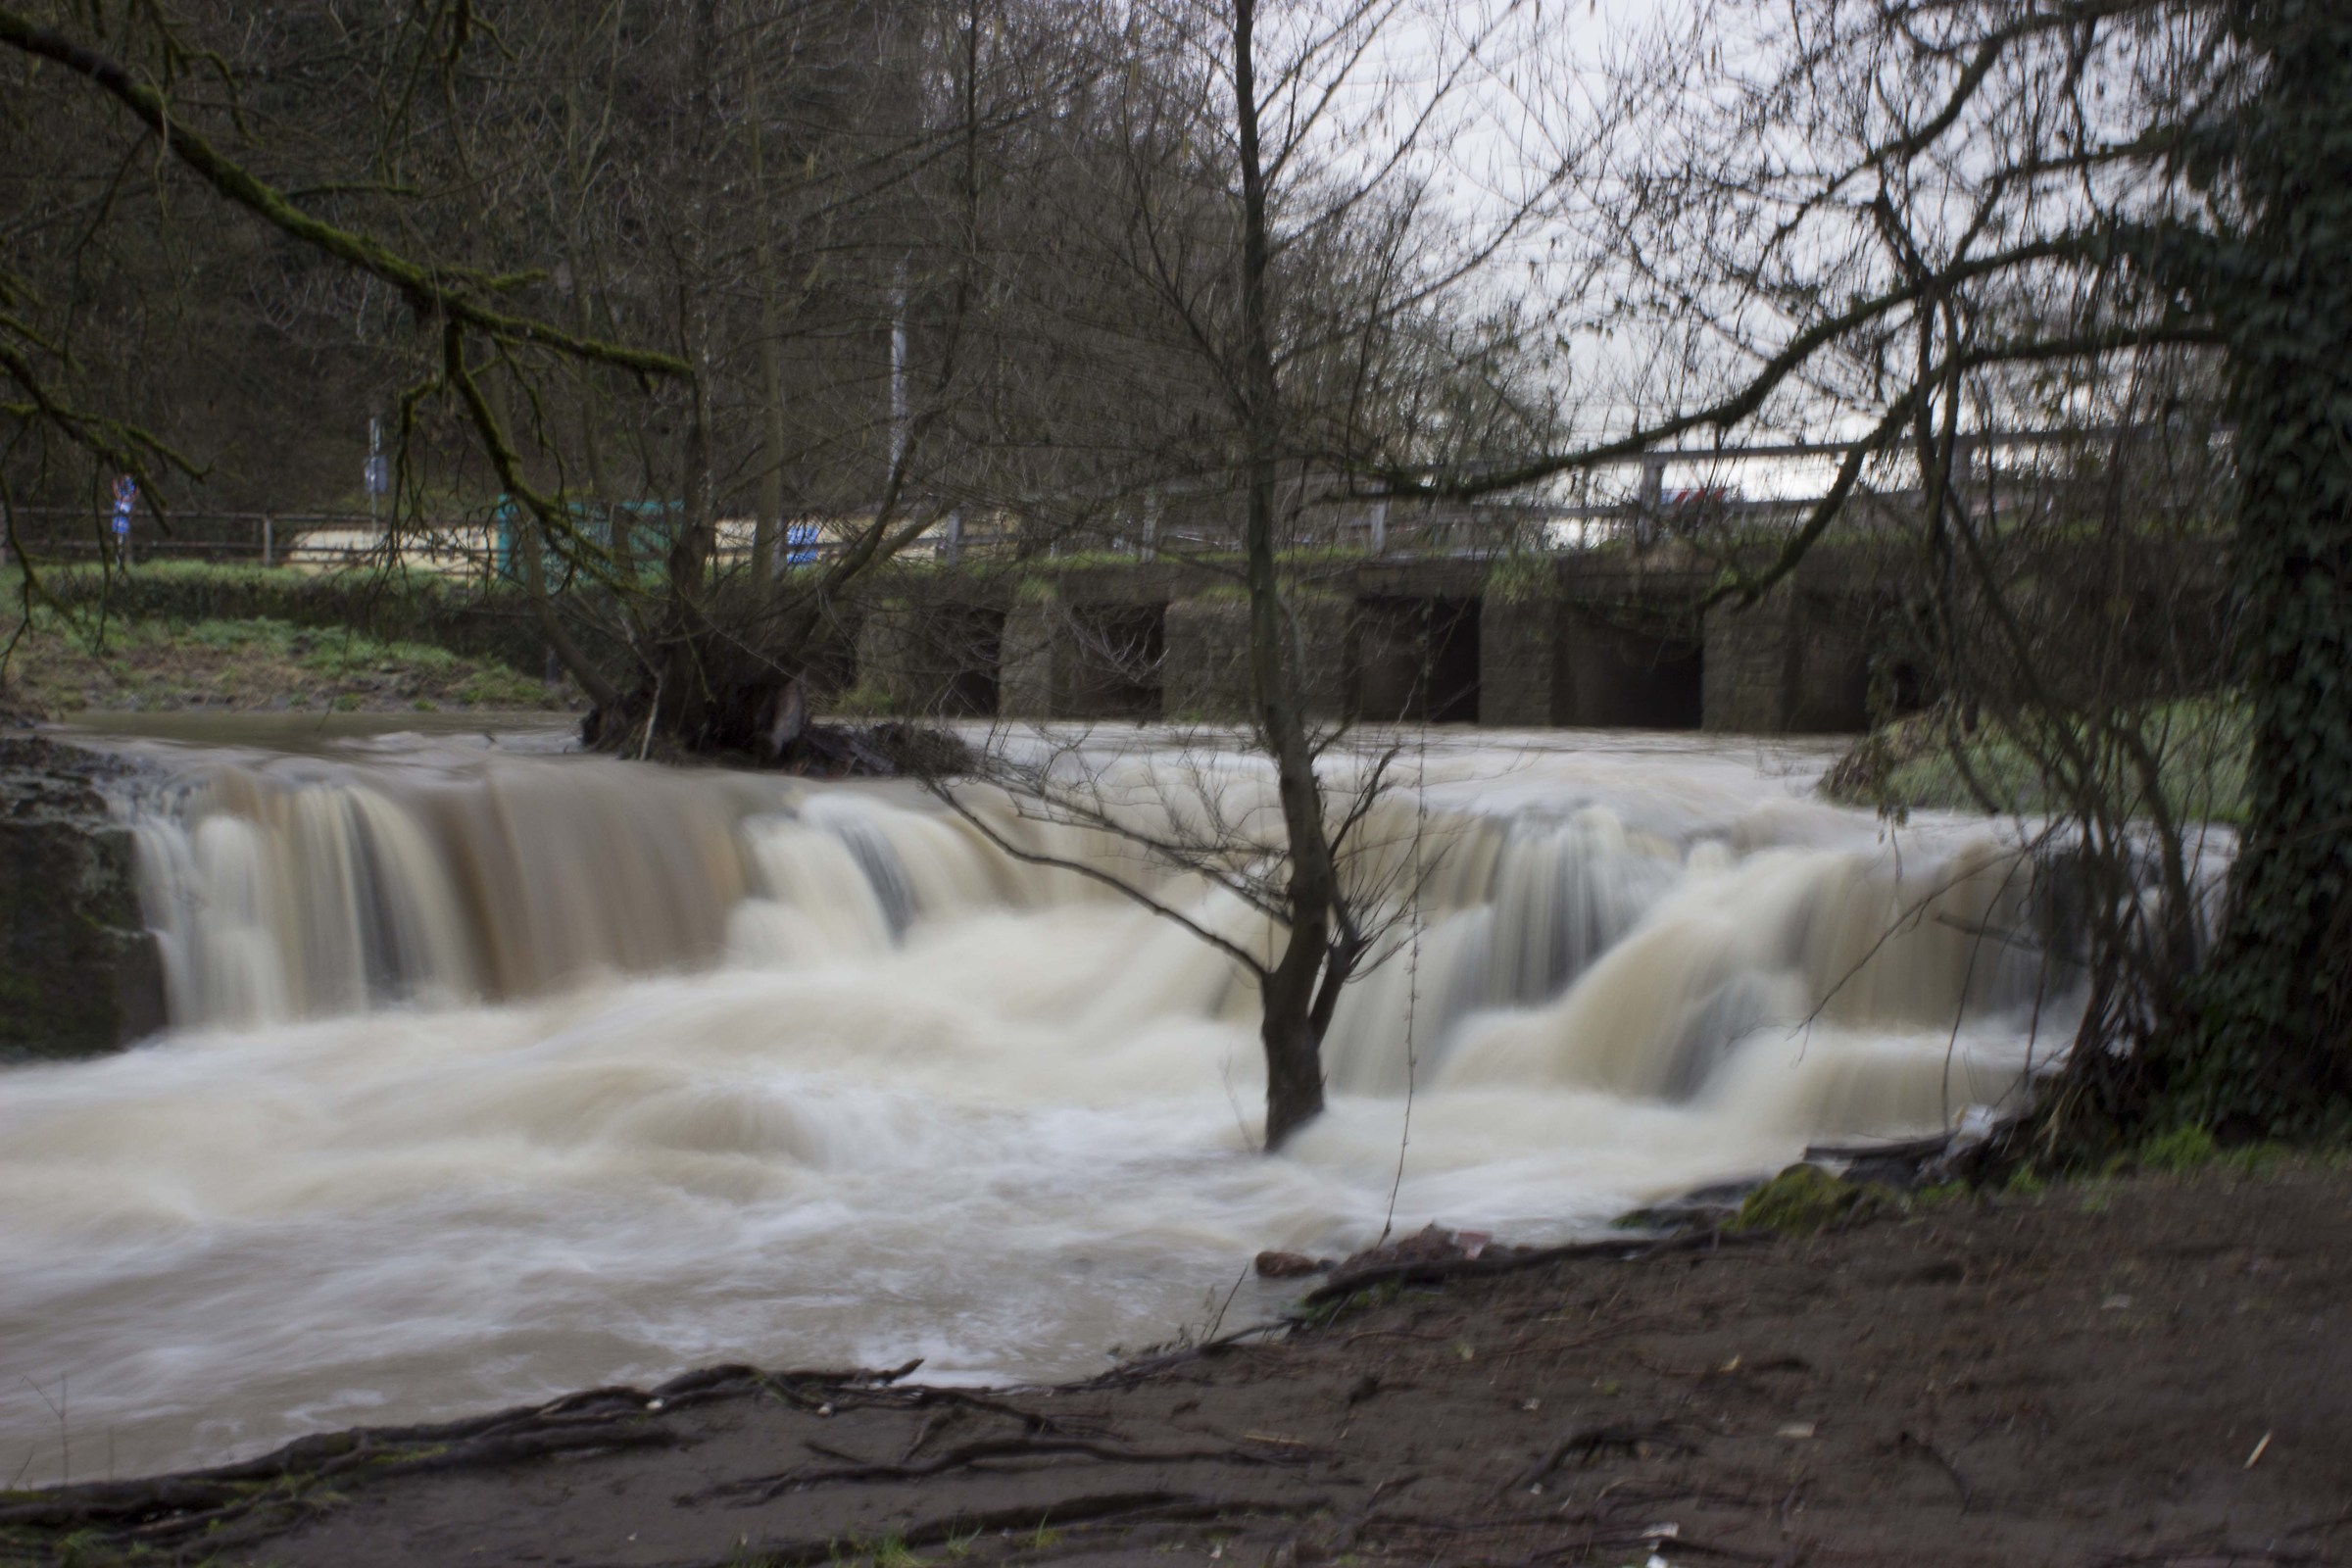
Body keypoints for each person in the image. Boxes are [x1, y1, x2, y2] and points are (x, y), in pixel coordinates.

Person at [110, 474, 136, 566]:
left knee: (127, 535)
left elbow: (134, 493)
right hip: (120, 510)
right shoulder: (118, 478)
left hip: (129, 508)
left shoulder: (133, 479)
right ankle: (119, 561)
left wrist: (129, 499)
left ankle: (129, 559)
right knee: (119, 536)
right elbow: (116, 490)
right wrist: (122, 499)